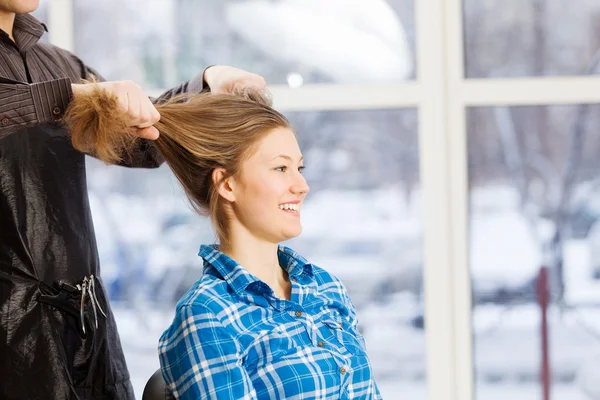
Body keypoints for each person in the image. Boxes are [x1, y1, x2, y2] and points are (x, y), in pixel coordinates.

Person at [0, 1, 266, 399]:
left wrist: (204, 87)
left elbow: (140, 144)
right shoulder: (66, 82)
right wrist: (74, 97)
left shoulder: (57, 63)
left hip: (83, 322)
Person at [63, 86, 383, 399]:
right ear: (228, 185)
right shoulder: (208, 316)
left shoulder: (326, 288)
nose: (302, 185)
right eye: (281, 168)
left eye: (299, 168)